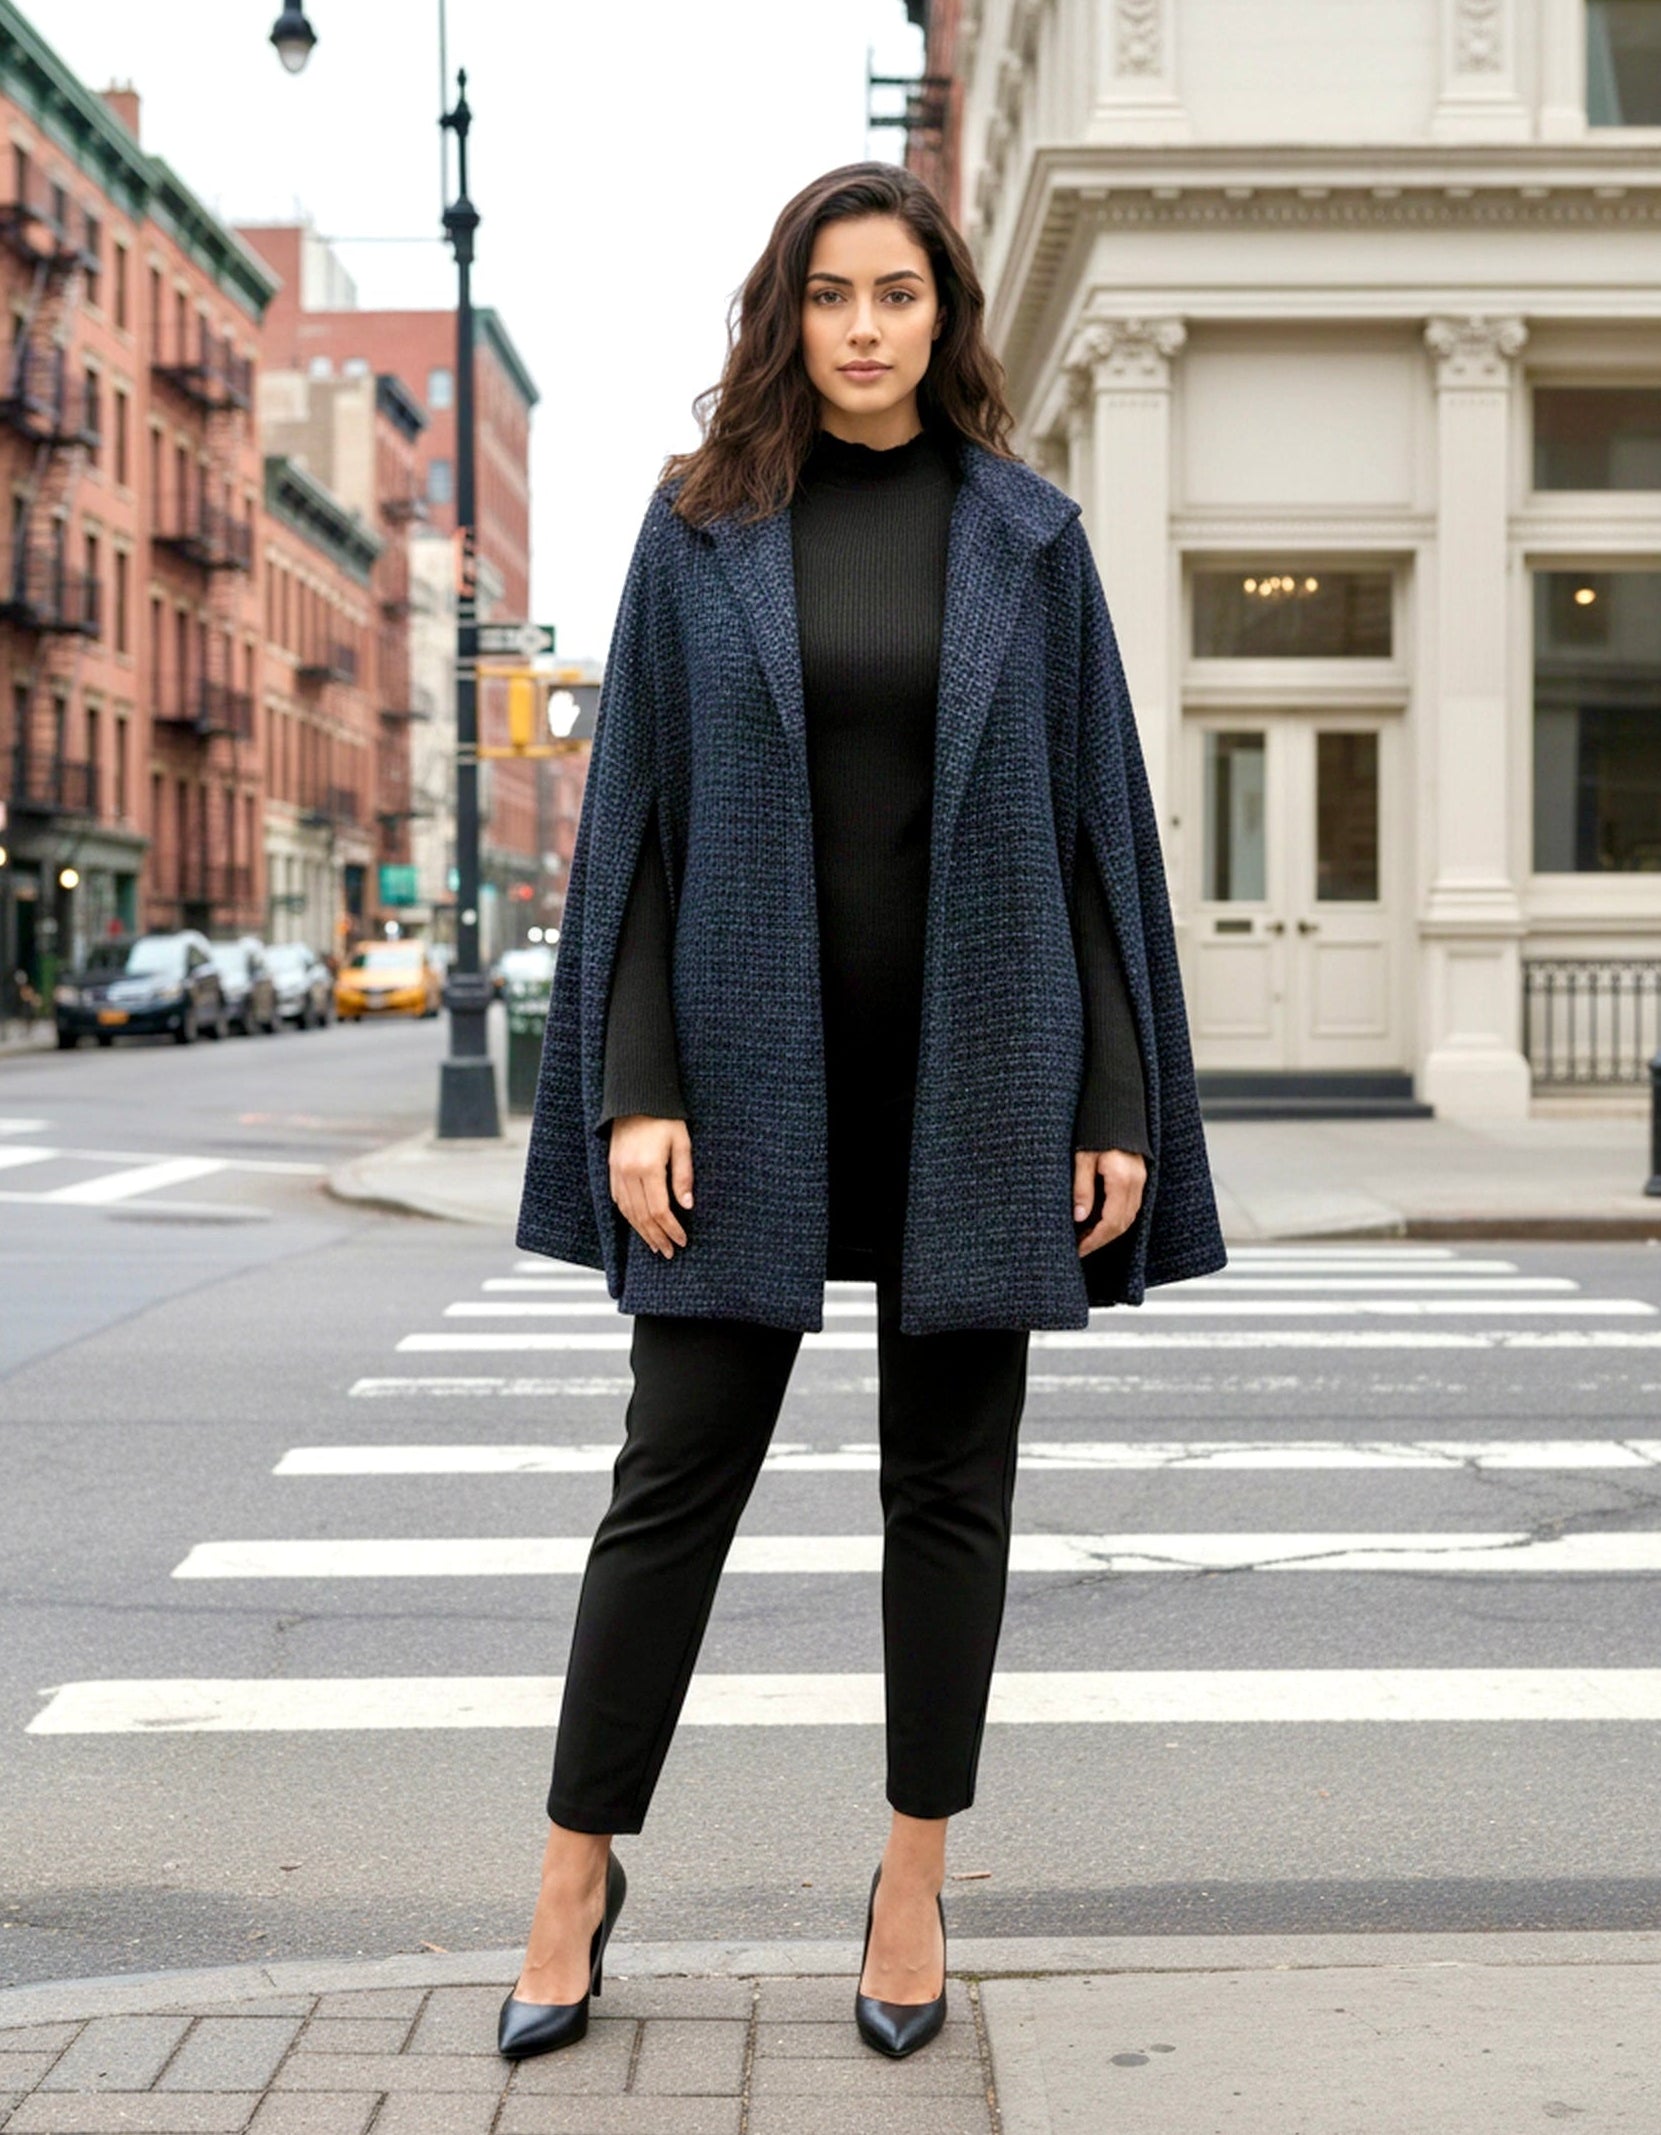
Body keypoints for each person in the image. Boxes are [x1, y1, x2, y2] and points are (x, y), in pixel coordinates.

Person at [503, 161, 1227, 2065]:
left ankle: (911, 1878)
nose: (862, 327)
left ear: (942, 313)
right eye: (828, 295)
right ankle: (574, 1870)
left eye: (894, 293)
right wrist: (629, 1090)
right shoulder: (698, 529)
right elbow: (631, 839)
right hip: (745, 1080)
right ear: (785, 315)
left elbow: (1096, 846)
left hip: (974, 1071)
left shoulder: (1025, 536)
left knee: (948, 1493)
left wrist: (1116, 1093)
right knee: (671, 1481)